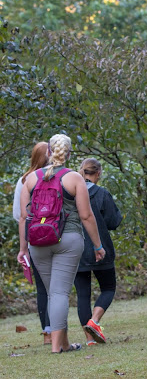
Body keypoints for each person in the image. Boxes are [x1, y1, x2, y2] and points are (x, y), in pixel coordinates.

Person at [17, 134, 105, 353]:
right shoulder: (74, 178)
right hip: (68, 238)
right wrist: (97, 245)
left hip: (38, 241)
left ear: (48, 151)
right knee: (59, 293)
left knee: (52, 293)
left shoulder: (30, 179)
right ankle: (57, 347)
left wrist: (23, 249)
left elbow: (23, 217)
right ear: (69, 153)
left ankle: (63, 343)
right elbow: (86, 216)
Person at [74, 158, 123, 346]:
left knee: (83, 294)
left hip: (76, 249)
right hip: (99, 247)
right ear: (98, 173)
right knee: (109, 288)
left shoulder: (71, 194)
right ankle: (94, 321)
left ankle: (89, 339)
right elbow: (113, 222)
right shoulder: (101, 193)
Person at [12, 142, 51, 345]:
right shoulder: (56, 175)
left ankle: (48, 333)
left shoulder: (24, 180)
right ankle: (57, 331)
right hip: (56, 235)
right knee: (56, 286)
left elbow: (20, 217)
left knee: (43, 288)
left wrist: (23, 248)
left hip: (35, 237)